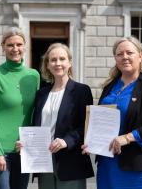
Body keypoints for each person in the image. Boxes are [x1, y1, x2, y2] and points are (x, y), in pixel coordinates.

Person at [82, 36, 142, 189]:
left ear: (140, 55)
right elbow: (100, 121)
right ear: (115, 58)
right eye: (119, 54)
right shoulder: (109, 87)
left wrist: (129, 137)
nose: (124, 57)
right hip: (109, 165)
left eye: (129, 53)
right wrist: (91, 142)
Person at [30, 43, 94, 189]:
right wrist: (27, 144)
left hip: (70, 161)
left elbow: (87, 125)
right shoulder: (41, 94)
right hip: (44, 160)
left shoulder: (81, 91)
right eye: (53, 60)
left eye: (62, 59)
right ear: (47, 64)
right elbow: (36, 126)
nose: (57, 63)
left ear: (69, 62)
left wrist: (67, 141)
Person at [0, 27, 40, 189]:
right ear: (3, 47)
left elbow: (34, 113)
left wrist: (31, 142)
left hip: (23, 149)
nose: (15, 49)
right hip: (0, 150)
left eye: (19, 44)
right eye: (10, 45)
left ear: (25, 46)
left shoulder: (33, 76)